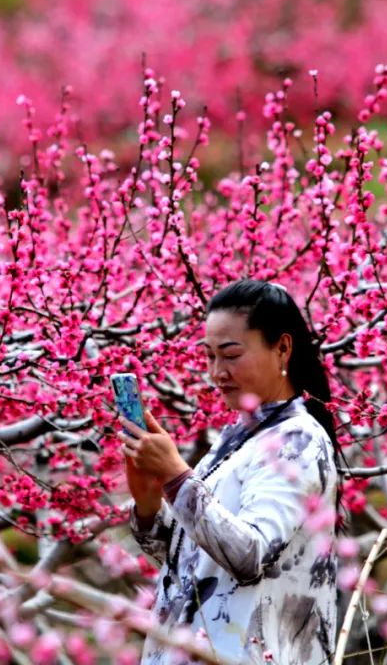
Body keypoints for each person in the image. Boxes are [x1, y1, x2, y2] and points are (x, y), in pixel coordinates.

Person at [120, 279, 340, 665]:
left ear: (282, 348)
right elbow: (192, 561)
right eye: (209, 357)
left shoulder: (298, 439)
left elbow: (250, 556)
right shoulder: (237, 437)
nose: (217, 372)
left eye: (231, 355)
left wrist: (176, 476)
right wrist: (149, 501)